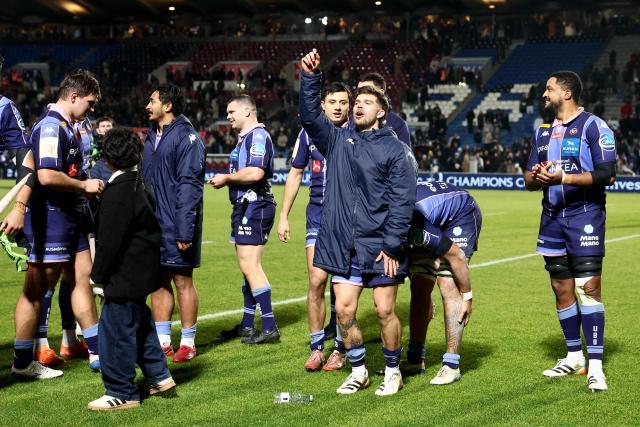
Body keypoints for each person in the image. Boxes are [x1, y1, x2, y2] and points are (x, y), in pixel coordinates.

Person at [299, 49, 416, 396]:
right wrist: (310, 78)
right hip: (345, 245)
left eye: (366, 101)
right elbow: (309, 116)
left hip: (381, 246)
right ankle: (360, 369)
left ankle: (392, 370)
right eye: (356, 101)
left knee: (383, 311)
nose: (358, 105)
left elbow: (402, 200)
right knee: (345, 312)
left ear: (381, 111)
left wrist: (393, 243)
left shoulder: (395, 150)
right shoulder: (338, 141)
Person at [524, 70, 616, 392]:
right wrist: (537, 175)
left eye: (548, 89)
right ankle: (574, 355)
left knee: (588, 288)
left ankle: (596, 366)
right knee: (561, 288)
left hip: (585, 216)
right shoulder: (542, 132)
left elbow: (608, 173)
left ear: (566, 93)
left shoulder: (594, 126)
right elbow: (527, 180)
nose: (543, 94)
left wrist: (564, 178)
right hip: (551, 218)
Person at [13, 69, 104, 379]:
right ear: (74, 95)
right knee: (34, 292)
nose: (91, 109)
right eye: (90, 102)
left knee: (82, 280)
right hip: (50, 217)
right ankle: (23, 362)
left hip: (71, 216)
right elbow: (46, 176)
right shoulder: (52, 127)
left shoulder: (68, 126)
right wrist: (83, 186)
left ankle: (96, 351)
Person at [88, 127, 175, 411]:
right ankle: (159, 375)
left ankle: (121, 391)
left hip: (122, 277)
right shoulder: (140, 183)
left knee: (115, 332)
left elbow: (110, 243)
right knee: (140, 328)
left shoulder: (117, 191)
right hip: (142, 274)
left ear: (107, 158)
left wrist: (97, 278)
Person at [277, 82, 351, 371]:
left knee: (343, 288)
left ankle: (342, 348)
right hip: (318, 215)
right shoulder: (308, 133)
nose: (338, 106)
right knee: (316, 281)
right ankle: (317, 347)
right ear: (322, 105)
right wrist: (284, 215)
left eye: (343, 102)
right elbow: (295, 174)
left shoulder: (356, 132)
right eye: (332, 101)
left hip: (347, 219)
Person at [209, 94, 280, 344]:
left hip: (255, 204)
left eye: (231, 112)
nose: (228, 116)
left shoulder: (258, 136)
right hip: (245, 205)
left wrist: (227, 178)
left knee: (251, 266)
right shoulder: (245, 139)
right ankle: (248, 324)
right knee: (247, 268)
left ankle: (269, 326)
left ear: (247, 112)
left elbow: (256, 171)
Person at [142, 83, 206, 363]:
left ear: (167, 106)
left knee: (182, 280)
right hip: (151, 223)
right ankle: (164, 340)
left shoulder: (187, 137)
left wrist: (184, 228)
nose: (147, 105)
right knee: (157, 281)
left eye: (152, 101)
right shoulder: (149, 137)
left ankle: (188, 342)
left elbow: (190, 186)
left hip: (176, 222)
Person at [404, 181, 480, 385]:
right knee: (419, 285)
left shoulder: (411, 222)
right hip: (429, 219)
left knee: (447, 283)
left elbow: (457, 256)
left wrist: (468, 297)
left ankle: (451, 365)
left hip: (461, 213)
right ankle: (414, 359)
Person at [357, 72, 411, 146]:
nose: (362, 94)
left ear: (381, 92)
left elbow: (405, 156)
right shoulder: (350, 122)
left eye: (368, 90)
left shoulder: (398, 124)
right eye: (360, 91)